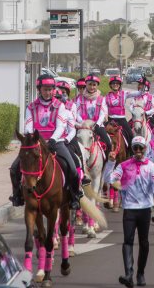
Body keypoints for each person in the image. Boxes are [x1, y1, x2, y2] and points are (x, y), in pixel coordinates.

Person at [9, 74, 84, 210]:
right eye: (45, 89)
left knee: (73, 168)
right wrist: (31, 137)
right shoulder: (31, 107)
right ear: (39, 90)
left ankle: (74, 196)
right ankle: (17, 196)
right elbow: (28, 124)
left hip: (55, 142)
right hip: (35, 144)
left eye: (50, 89)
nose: (48, 92)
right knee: (14, 169)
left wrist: (54, 139)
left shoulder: (60, 106)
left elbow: (61, 126)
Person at [109, 136, 154, 288]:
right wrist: (111, 162)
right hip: (129, 209)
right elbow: (110, 179)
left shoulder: (152, 167)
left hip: (145, 209)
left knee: (144, 243)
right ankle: (128, 275)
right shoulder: (124, 165)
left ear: (145, 149)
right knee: (127, 240)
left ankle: (140, 273)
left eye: (141, 148)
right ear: (132, 149)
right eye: (135, 148)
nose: (138, 151)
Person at [74, 74, 113, 156]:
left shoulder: (101, 99)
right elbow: (77, 113)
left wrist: (98, 125)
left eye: (94, 85)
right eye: (90, 84)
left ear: (97, 86)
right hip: (83, 126)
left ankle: (107, 164)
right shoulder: (80, 99)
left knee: (109, 144)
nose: (92, 87)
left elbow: (103, 113)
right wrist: (82, 123)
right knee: (72, 144)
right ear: (86, 85)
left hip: (97, 126)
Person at [107, 75, 133, 145]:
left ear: (119, 85)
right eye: (113, 83)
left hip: (122, 120)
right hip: (111, 120)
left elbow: (138, 93)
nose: (115, 84)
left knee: (131, 135)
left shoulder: (124, 94)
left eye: (117, 83)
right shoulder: (106, 96)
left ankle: (131, 153)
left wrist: (142, 87)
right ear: (111, 85)